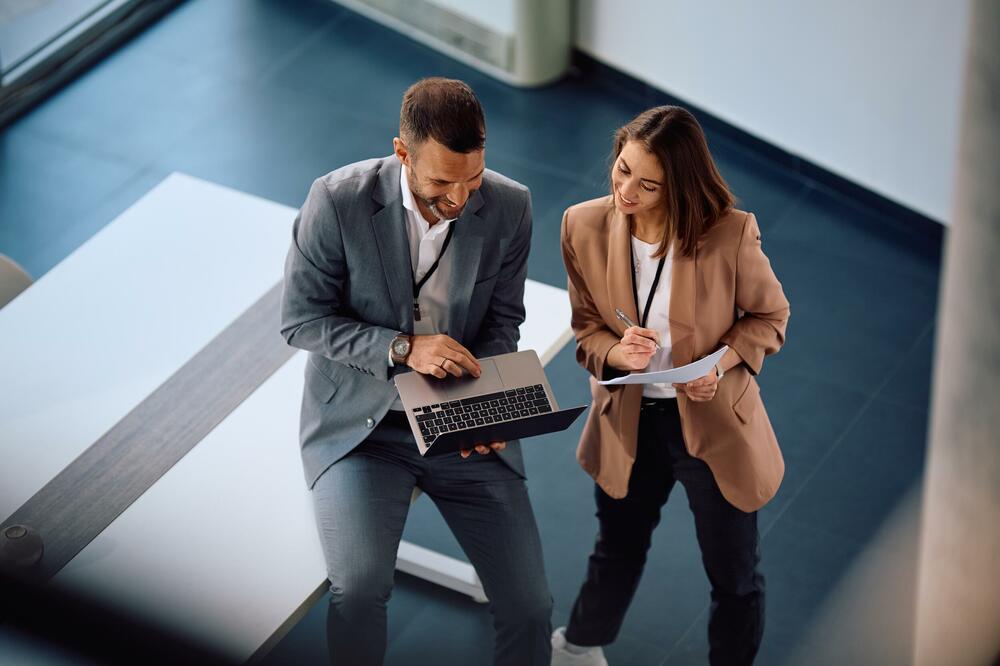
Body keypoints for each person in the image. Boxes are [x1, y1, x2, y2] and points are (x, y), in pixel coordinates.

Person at [280, 77, 553, 666]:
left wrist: (494, 399)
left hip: (460, 423)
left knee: (531, 608)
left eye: (472, 179)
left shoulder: (510, 205)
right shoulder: (335, 200)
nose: (460, 199)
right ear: (401, 152)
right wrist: (404, 349)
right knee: (357, 590)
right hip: (362, 430)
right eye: (441, 182)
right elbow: (301, 322)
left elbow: (503, 320)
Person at [552, 106, 790, 666]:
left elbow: (769, 318)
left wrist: (721, 363)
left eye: (647, 183)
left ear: (678, 186)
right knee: (617, 548)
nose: (626, 189)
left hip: (709, 423)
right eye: (621, 169)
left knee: (734, 575)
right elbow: (586, 327)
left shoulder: (730, 233)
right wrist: (613, 351)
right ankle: (577, 648)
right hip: (631, 419)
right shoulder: (582, 225)